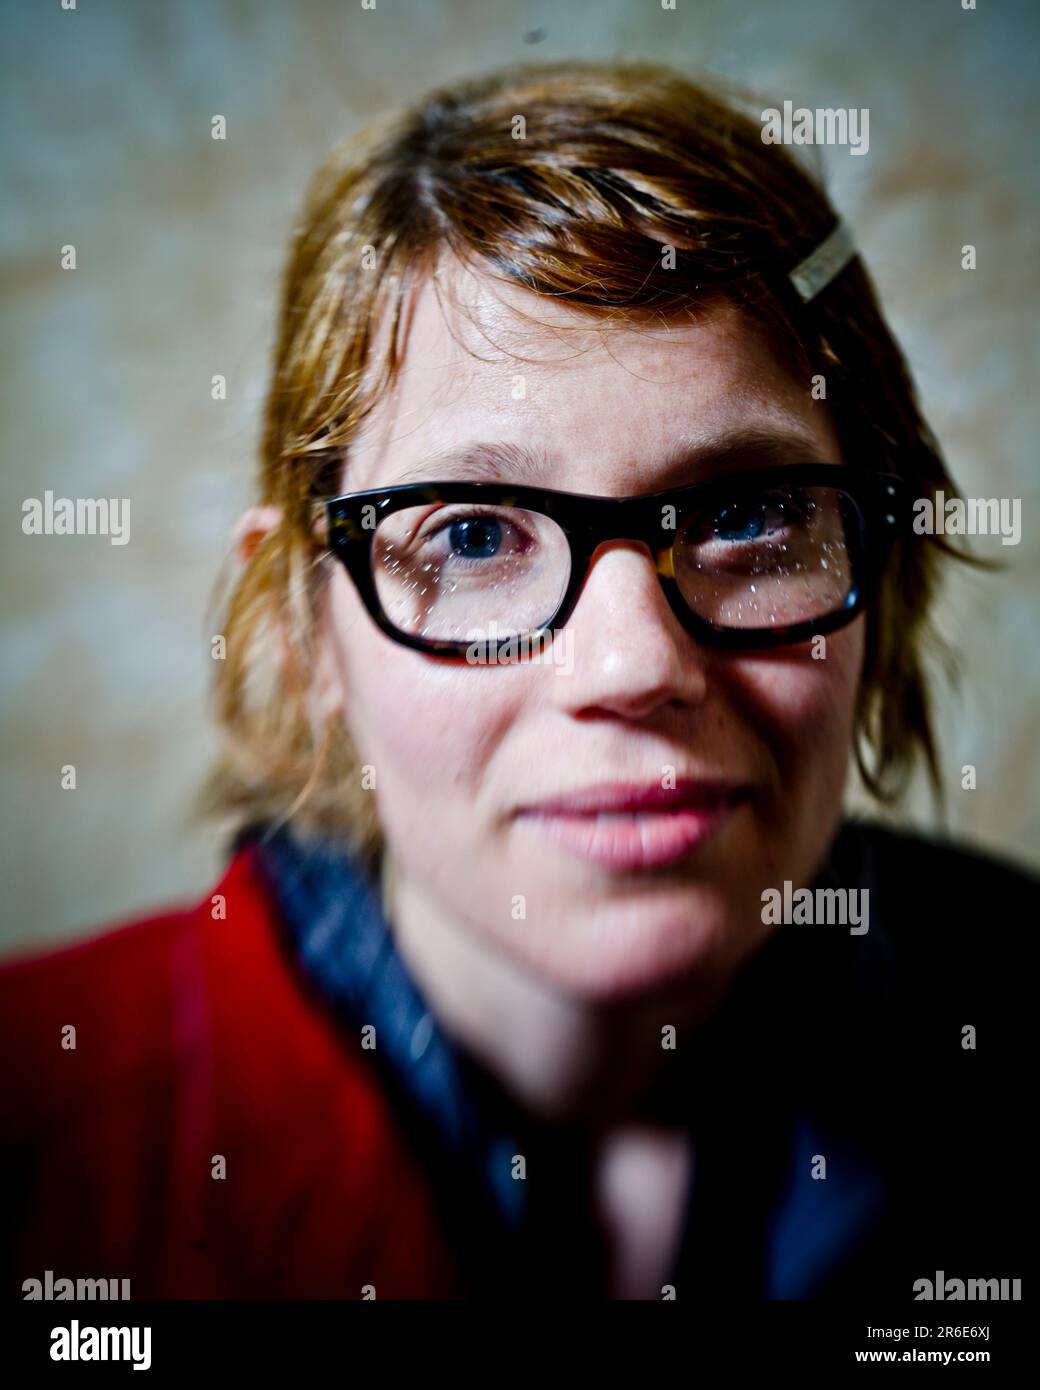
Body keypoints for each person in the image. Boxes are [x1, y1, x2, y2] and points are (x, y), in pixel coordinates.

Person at [1, 60, 1034, 1302]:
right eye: (474, 535)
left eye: (749, 513)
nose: (634, 663)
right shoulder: (42, 1126)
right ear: (304, 628)